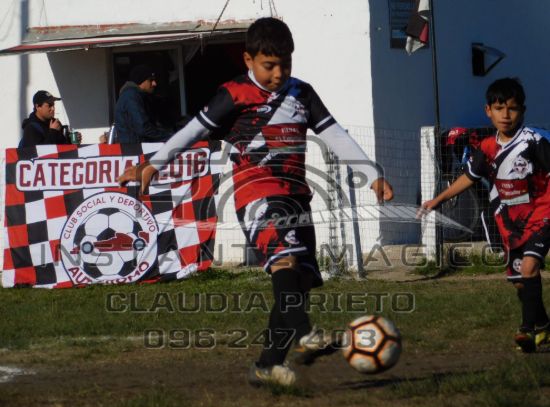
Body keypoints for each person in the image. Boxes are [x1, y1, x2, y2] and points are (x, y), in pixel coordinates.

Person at [118, 17, 393, 386]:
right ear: (248, 59)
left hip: (296, 197)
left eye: (285, 64)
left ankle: (267, 366)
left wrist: (371, 173)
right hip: (255, 193)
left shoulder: (302, 94)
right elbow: (193, 131)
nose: (278, 73)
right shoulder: (233, 93)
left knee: (298, 281)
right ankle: (306, 334)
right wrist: (153, 165)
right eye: (269, 65)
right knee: (285, 261)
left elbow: (335, 134)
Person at [420, 78, 550, 353]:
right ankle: (543, 326)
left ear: (522, 111)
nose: (506, 115)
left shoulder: (534, 141)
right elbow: (469, 176)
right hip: (511, 221)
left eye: (512, 108)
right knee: (520, 282)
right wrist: (438, 200)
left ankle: (526, 330)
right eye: (499, 108)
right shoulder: (488, 147)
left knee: (529, 268)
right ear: (488, 111)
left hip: (541, 213)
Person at [114, 64, 173, 143]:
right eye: (150, 80)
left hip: (135, 146)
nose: (154, 83)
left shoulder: (138, 96)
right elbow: (143, 128)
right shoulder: (131, 97)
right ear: (140, 81)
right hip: (134, 148)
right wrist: (170, 137)